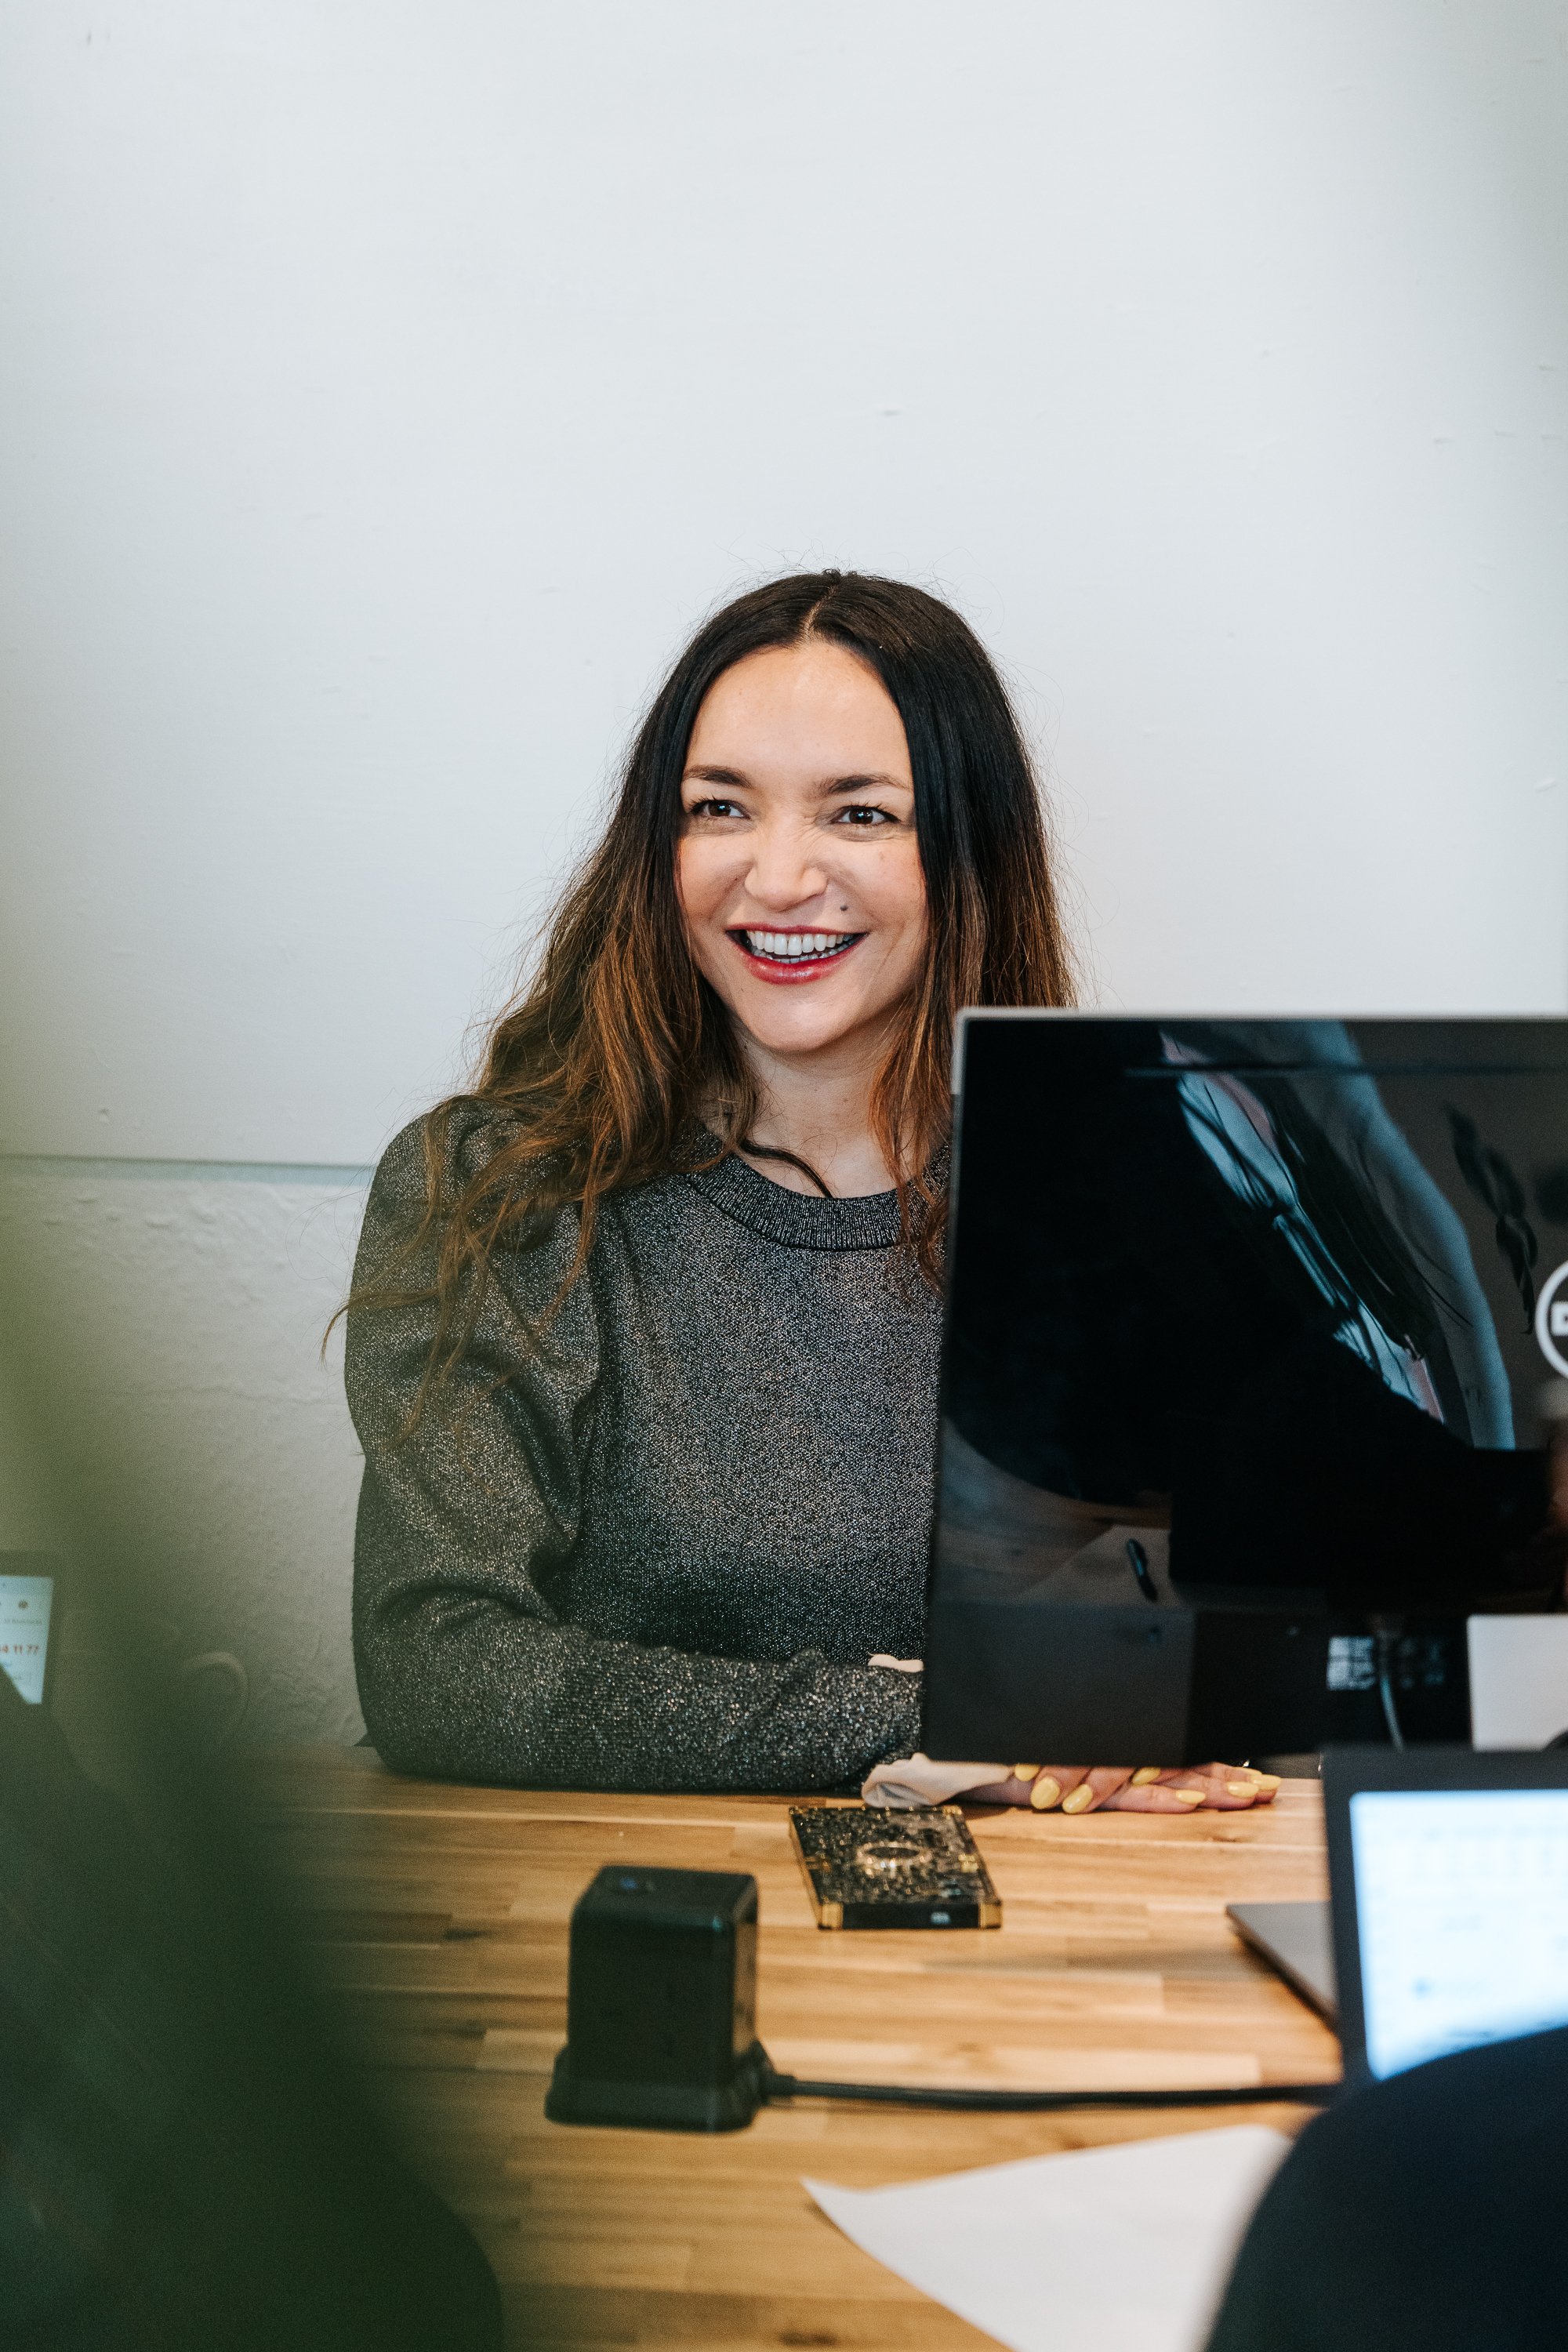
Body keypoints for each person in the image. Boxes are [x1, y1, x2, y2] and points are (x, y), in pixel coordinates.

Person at [344, 571, 1276, 1815]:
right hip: (600, 1898)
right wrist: (946, 1721)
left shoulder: (1141, 1200)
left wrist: (1154, 1703)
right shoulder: (499, 1190)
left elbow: (1261, 1642)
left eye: (862, 814)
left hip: (1057, 1916)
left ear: (971, 852)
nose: (779, 878)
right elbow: (436, 1669)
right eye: (719, 807)